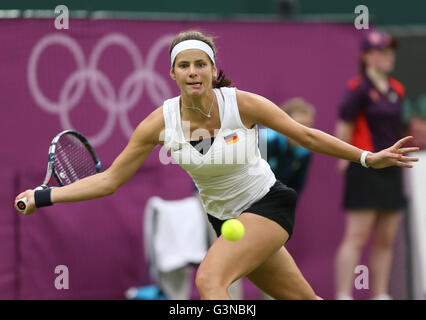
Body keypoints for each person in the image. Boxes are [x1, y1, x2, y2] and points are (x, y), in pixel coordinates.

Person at [15, 30, 418, 300]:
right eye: (185, 65)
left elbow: (307, 136)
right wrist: (43, 195)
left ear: (213, 69)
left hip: (268, 205)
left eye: (201, 64)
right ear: (172, 72)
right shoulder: (159, 123)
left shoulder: (241, 104)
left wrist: (367, 157)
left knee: (209, 280)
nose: (194, 72)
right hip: (224, 220)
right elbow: (108, 181)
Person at [334, 30, 408, 300]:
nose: (387, 57)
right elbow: (344, 127)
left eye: (390, 52)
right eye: (380, 52)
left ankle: (380, 294)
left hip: (393, 169)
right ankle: (343, 294)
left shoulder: (397, 89)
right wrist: (346, 159)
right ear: (366, 56)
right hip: (364, 168)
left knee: (386, 238)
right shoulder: (358, 89)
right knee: (356, 236)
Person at [266, 97, 316, 195]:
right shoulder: (264, 140)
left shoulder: (305, 153)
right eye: (299, 124)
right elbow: (251, 177)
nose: (304, 131)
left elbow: (295, 189)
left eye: (308, 126)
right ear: (282, 122)